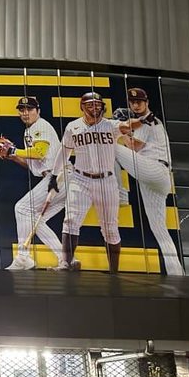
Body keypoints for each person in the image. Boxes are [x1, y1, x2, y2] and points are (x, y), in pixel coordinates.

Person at [48, 91, 148, 273]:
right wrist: (54, 176)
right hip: (80, 179)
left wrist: (143, 120)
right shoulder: (73, 127)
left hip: (106, 181)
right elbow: (64, 152)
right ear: (82, 107)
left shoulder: (110, 125)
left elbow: (127, 125)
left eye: (98, 105)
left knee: (110, 229)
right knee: (70, 221)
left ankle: (114, 271)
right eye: (90, 105)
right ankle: (66, 264)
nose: (95, 108)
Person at [113, 88, 184, 275]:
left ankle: (121, 194)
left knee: (109, 145)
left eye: (139, 101)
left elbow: (134, 147)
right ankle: (177, 273)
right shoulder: (141, 121)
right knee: (159, 229)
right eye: (132, 102)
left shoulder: (148, 120)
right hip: (154, 176)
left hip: (154, 169)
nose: (136, 105)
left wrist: (121, 129)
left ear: (147, 102)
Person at [0, 97, 69, 270]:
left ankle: (23, 258)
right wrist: (13, 156)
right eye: (22, 110)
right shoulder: (30, 130)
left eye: (29, 109)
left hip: (58, 176)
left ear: (38, 111)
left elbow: (39, 152)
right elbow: (32, 164)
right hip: (60, 177)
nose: (25, 113)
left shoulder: (40, 126)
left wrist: (13, 150)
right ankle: (66, 258)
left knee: (22, 208)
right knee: (35, 219)